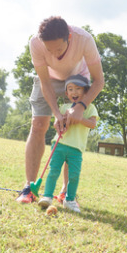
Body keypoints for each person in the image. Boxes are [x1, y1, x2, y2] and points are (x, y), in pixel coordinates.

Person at [16, 16, 104, 203]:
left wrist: (80, 107)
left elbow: (99, 81)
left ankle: (65, 191)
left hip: (76, 79)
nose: (54, 54)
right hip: (49, 79)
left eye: (59, 49)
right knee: (39, 124)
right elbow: (45, 83)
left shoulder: (84, 39)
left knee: (69, 130)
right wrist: (56, 113)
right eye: (50, 50)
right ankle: (29, 187)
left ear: (69, 37)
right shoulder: (35, 43)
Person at [37, 74, 98, 213]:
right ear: (66, 93)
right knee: (53, 171)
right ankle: (47, 196)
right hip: (59, 145)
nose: (74, 92)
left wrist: (79, 117)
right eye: (70, 89)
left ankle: (69, 200)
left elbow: (93, 124)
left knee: (74, 175)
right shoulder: (63, 107)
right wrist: (62, 120)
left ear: (86, 92)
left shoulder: (90, 108)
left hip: (76, 148)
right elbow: (55, 124)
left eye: (78, 89)